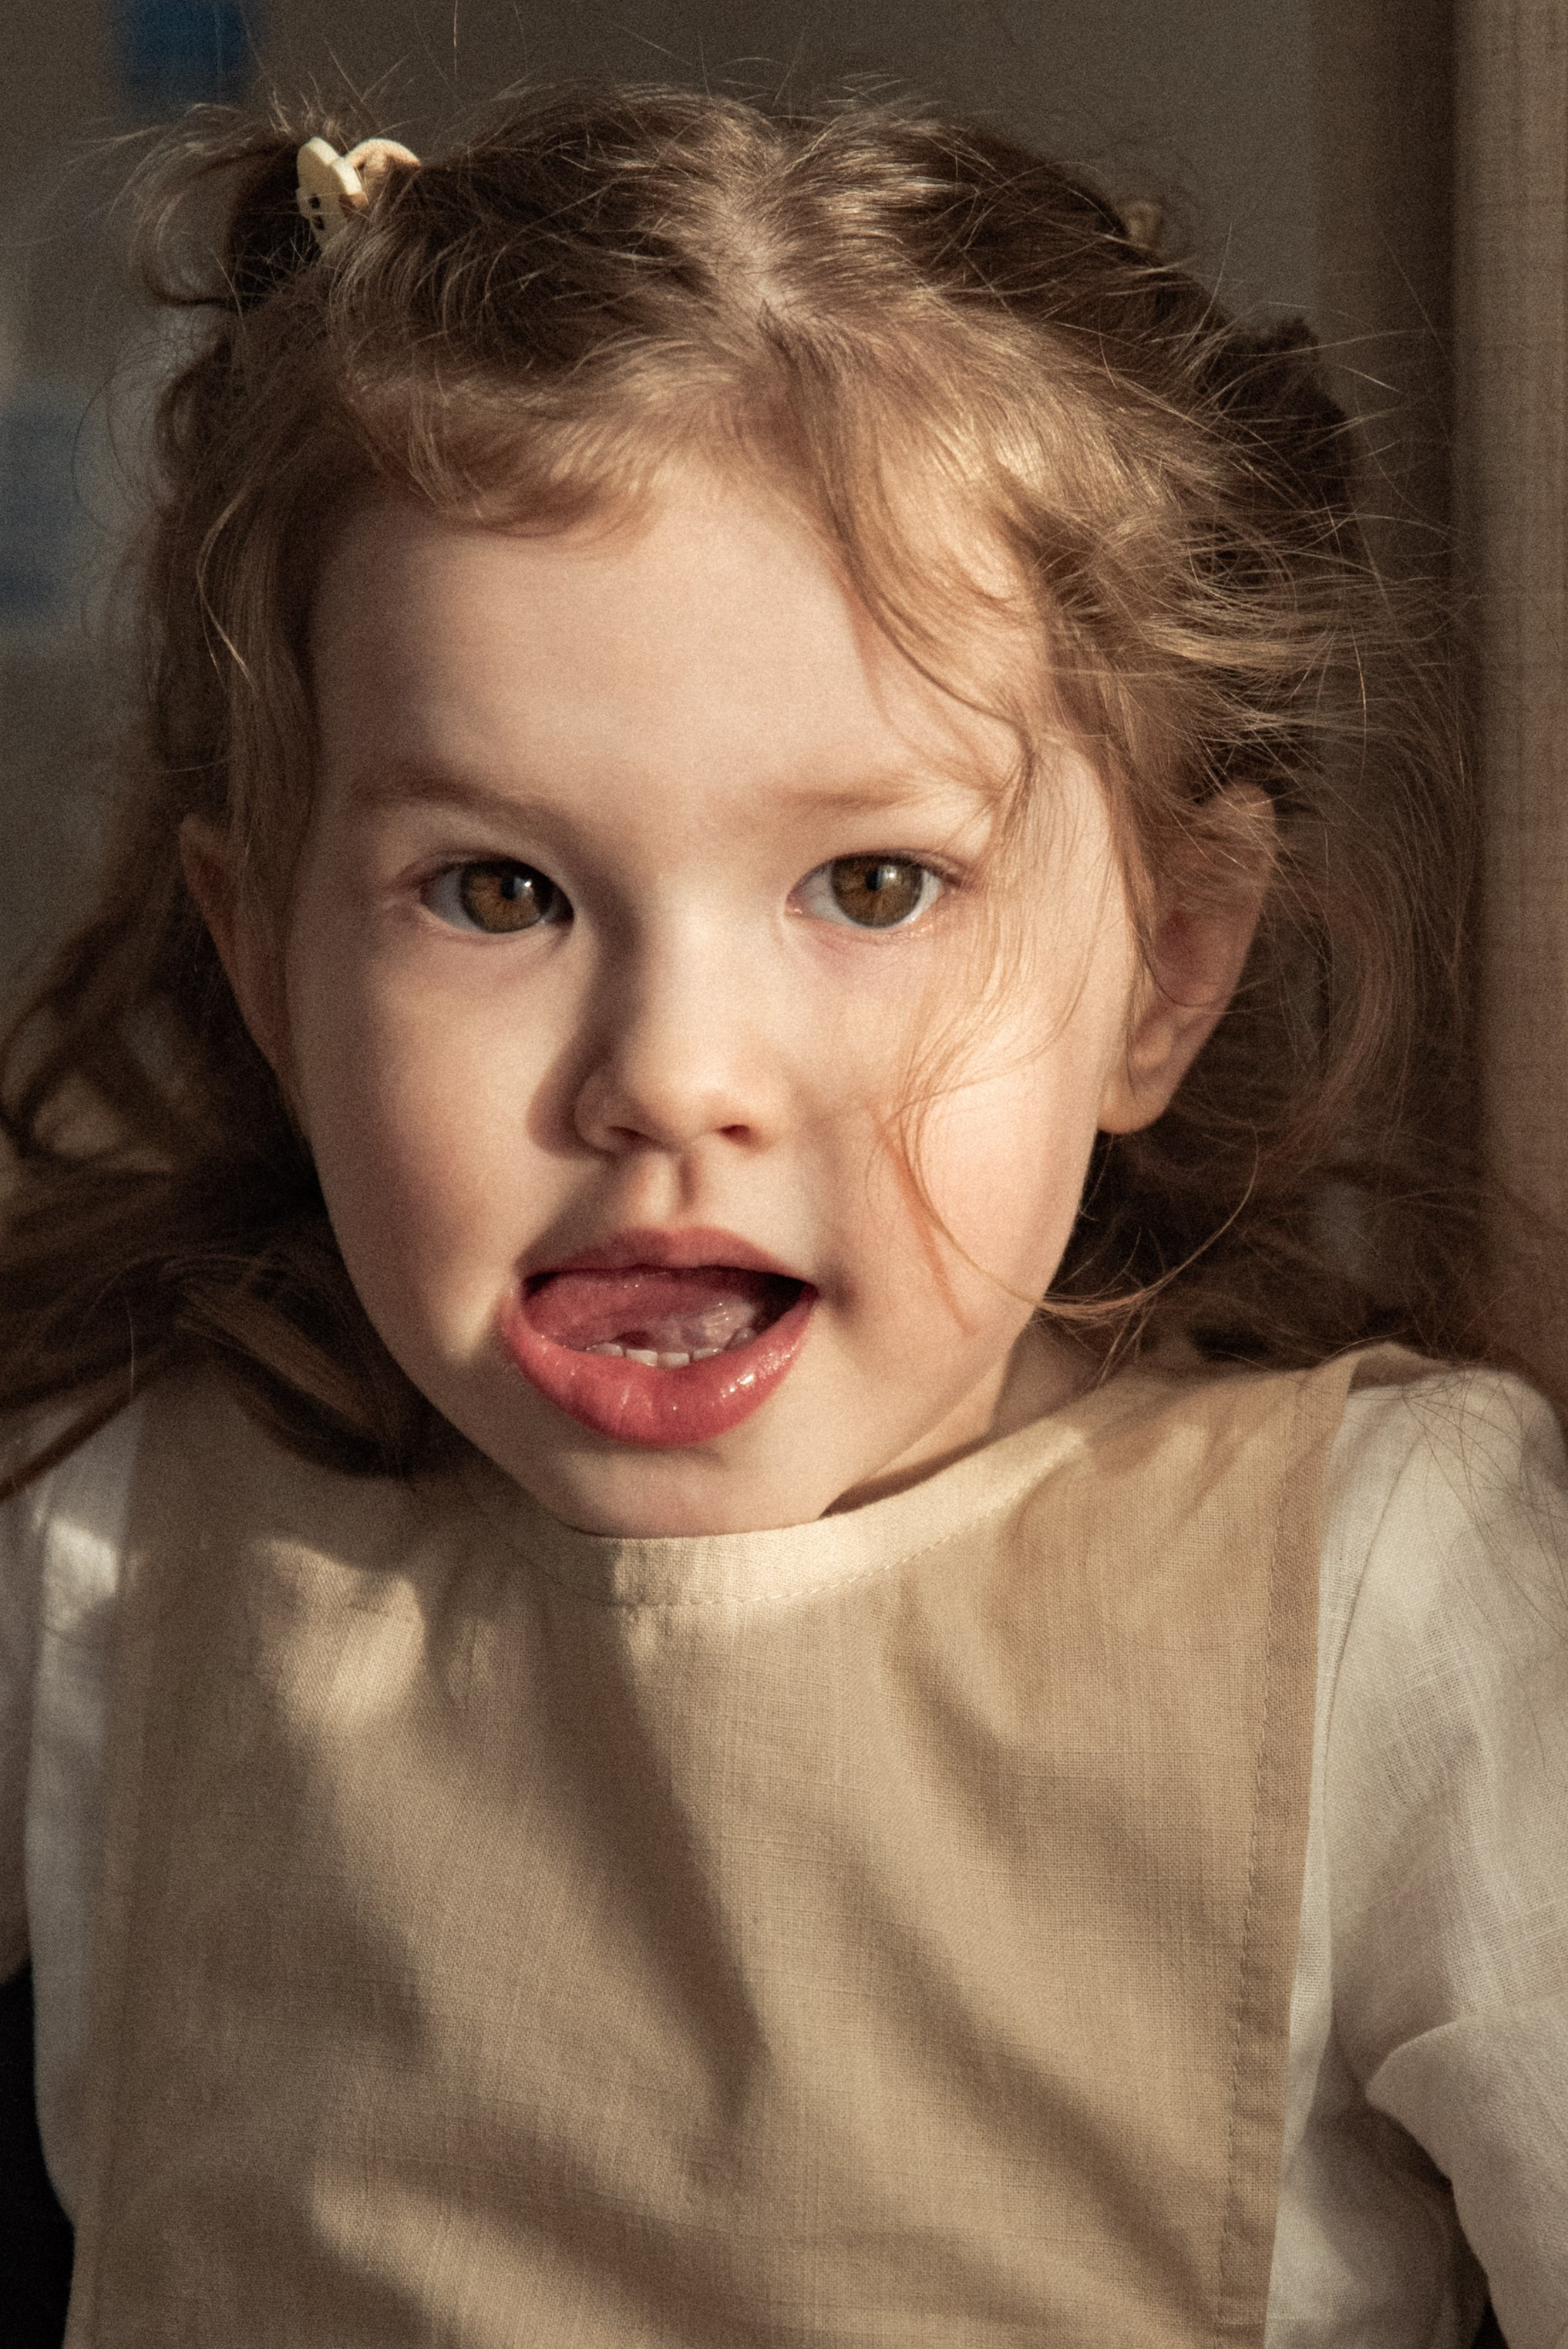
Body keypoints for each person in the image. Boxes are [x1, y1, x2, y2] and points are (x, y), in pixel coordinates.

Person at [0, 85, 1562, 2347]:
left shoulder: (1380, 1590)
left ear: (1170, 969)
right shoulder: (113, 1545)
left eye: (870, 885)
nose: (670, 1077)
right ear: (271, 973)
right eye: (497, 891)